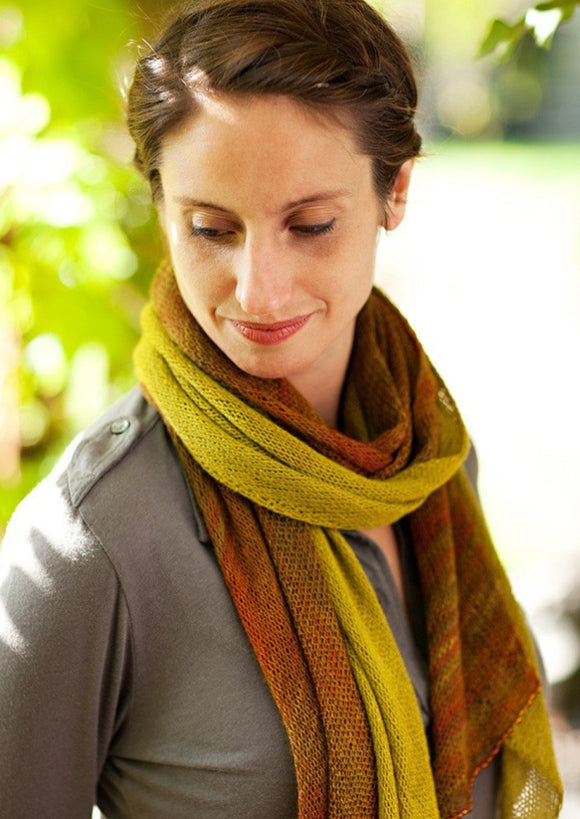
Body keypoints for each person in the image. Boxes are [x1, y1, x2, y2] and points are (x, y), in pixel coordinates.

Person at [0, 0, 563, 816]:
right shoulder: (99, 537)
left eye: (311, 224)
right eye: (210, 229)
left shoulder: (429, 457)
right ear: (161, 208)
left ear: (394, 190)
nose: (258, 289)